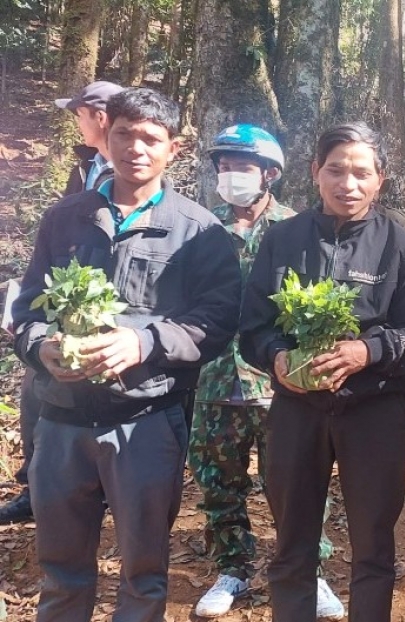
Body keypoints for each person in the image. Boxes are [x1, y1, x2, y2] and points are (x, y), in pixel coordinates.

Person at [12, 87, 242, 621]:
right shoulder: (66, 218)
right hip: (60, 422)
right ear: (105, 137)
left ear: (174, 149)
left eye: (149, 138)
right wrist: (41, 346)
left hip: (145, 423)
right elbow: (26, 309)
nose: (135, 148)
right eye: (123, 134)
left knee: (143, 571)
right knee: (62, 568)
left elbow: (215, 323)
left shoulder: (199, 231)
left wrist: (143, 342)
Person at [240, 122, 405, 622]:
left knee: (373, 542)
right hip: (296, 411)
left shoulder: (402, 246)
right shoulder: (283, 241)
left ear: (381, 179)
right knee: (292, 541)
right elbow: (254, 327)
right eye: (335, 170)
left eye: (360, 173)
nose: (346, 183)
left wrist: (367, 351)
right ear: (314, 172)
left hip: (374, 411)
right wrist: (276, 357)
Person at [188, 124, 343, 619]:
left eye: (242, 167)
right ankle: (232, 568)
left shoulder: (297, 231)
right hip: (213, 381)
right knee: (218, 480)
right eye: (224, 166)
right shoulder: (200, 230)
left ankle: (308, 572)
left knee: (298, 483)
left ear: (270, 174)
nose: (230, 175)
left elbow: (320, 306)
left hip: (282, 385)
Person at [0, 80, 125, 527]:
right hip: (61, 305)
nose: (76, 121)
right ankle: (37, 486)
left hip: (100, 313)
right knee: (39, 392)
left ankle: (92, 490)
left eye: (79, 113)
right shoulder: (87, 166)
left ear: (100, 116)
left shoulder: (126, 176)